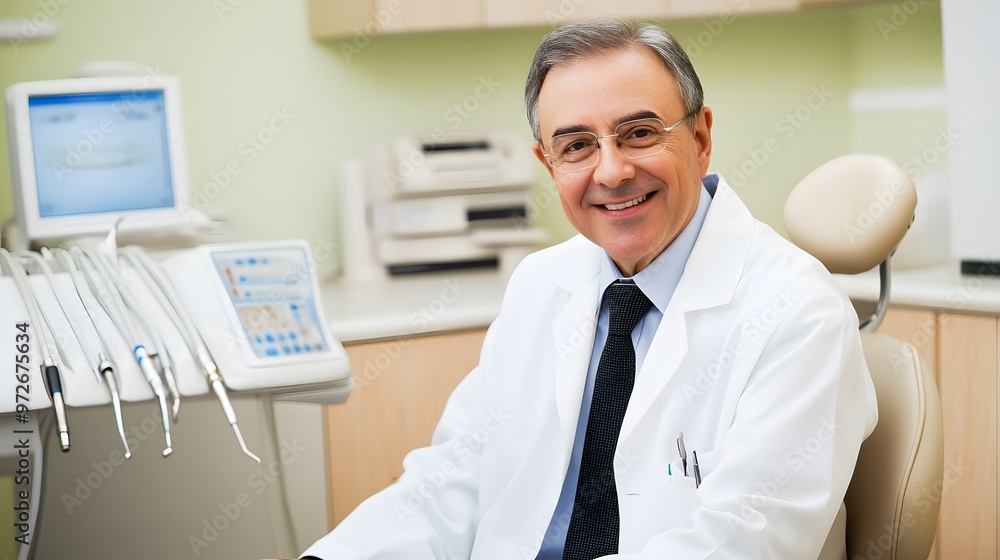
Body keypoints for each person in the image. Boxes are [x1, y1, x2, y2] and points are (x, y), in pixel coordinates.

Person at [298, 19, 876, 560]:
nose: (611, 171)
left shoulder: (798, 314)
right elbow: (454, 479)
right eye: (576, 146)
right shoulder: (541, 284)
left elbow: (740, 540)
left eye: (639, 133)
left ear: (700, 139)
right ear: (548, 166)